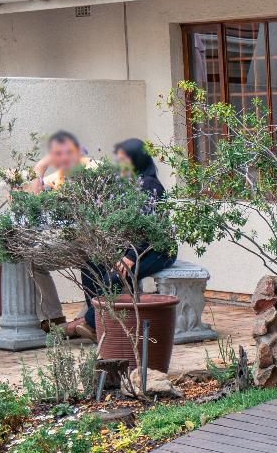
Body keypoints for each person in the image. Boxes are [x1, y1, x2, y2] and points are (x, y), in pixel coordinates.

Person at [62, 139, 177, 341]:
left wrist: (131, 256)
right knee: (91, 264)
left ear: (137, 160)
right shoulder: (127, 183)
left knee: (115, 277)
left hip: (156, 249)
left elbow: (147, 228)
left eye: (124, 159)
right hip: (131, 246)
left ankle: (88, 323)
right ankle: (97, 321)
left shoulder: (150, 185)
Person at [22, 131, 90, 330]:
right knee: (33, 259)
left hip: (95, 243)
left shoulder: (89, 171)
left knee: (34, 259)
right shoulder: (61, 175)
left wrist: (42, 166)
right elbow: (31, 197)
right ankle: (54, 319)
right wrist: (41, 167)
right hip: (76, 242)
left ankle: (88, 318)